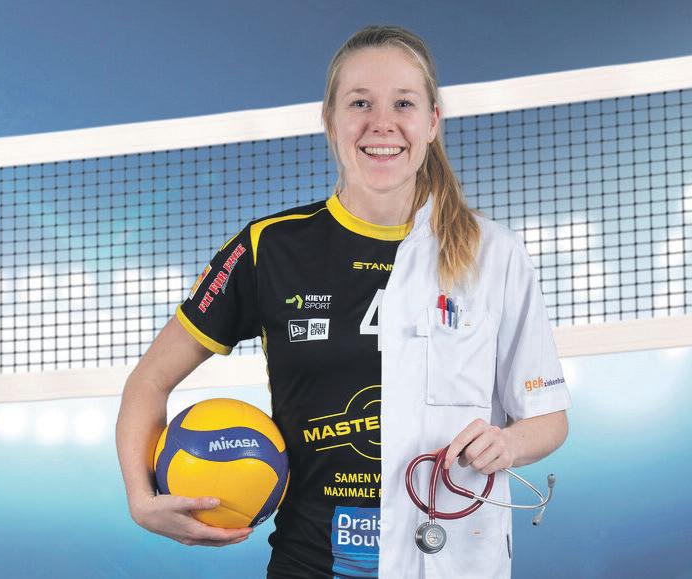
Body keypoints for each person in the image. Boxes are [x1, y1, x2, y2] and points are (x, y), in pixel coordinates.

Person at [116, 25, 571, 578]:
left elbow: (548, 418)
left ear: (432, 122)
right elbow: (148, 381)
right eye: (360, 103)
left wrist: (508, 444)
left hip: (455, 560)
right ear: (330, 121)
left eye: (403, 103)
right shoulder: (269, 248)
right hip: (312, 562)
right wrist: (141, 499)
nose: (382, 123)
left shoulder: (494, 254)